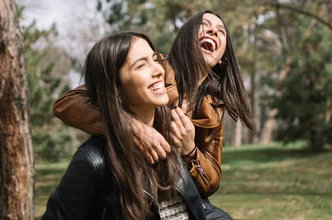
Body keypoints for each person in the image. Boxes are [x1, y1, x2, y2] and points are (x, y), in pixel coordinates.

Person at [28, 32, 266, 220]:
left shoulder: (173, 135)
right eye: (141, 65)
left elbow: (197, 212)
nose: (158, 70)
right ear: (116, 88)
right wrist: (127, 126)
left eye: (155, 59)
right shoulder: (93, 160)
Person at [53, 11, 254, 197]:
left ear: (221, 59)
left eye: (221, 31)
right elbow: (67, 102)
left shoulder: (214, 108)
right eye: (204, 25)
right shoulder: (152, 73)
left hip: (171, 205)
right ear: (186, 39)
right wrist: (132, 127)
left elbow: (211, 182)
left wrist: (190, 150)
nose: (213, 31)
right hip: (122, 189)